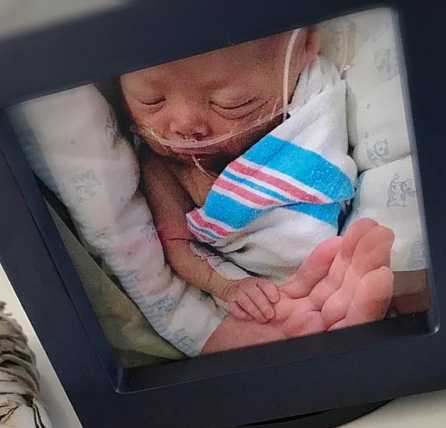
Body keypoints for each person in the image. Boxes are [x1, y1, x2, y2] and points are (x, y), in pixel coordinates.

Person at [119, 27, 397, 343]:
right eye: (151, 101)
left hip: (339, 264)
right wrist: (227, 286)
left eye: (231, 103)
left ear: (305, 47)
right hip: (259, 301)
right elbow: (176, 247)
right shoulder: (163, 168)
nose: (183, 126)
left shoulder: (317, 99)